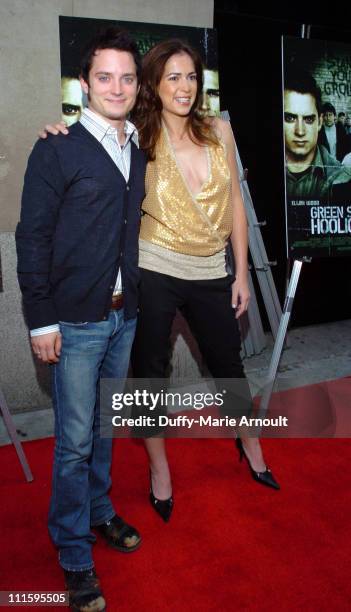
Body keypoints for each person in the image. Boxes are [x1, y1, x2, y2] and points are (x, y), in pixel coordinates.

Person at [40, 39, 280, 525]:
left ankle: (251, 447)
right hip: (154, 270)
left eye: (191, 76)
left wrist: (241, 274)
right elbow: (94, 135)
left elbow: (235, 203)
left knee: (229, 369)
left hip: (212, 270)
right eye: (172, 77)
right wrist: (60, 134)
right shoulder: (138, 134)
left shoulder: (221, 131)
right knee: (150, 376)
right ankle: (159, 473)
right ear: (153, 83)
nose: (184, 87)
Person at [16, 27, 146, 612]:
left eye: (126, 76)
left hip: (125, 318)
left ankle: (98, 512)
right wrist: (41, 321)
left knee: (105, 429)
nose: (116, 87)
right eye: (104, 76)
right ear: (84, 84)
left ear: (136, 84)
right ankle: (72, 554)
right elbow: (32, 237)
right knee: (71, 443)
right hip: (75, 323)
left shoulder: (136, 145)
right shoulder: (58, 146)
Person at [284, 68, 351, 200]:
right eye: (290, 118)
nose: (300, 131)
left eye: (308, 119)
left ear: (319, 122)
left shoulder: (340, 176)